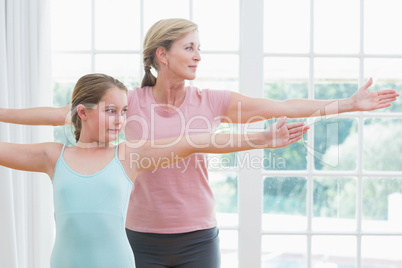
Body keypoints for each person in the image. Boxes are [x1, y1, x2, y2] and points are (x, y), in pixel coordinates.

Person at [0, 18, 399, 268]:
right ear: (162, 54)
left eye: (199, 48)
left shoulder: (212, 101)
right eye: (189, 48)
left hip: (197, 237)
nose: (198, 56)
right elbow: (57, 113)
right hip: (139, 238)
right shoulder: (128, 104)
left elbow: (279, 106)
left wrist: (347, 103)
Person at [0, 73, 308, 268]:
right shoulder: (52, 155)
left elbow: (196, 141)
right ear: (83, 112)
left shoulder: (129, 155)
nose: (121, 120)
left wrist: (263, 138)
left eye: (124, 111)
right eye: (111, 111)